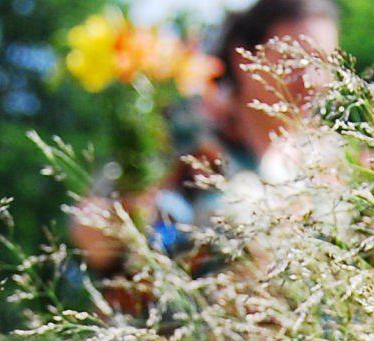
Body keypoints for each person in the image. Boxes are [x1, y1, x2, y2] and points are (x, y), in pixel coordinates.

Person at [68, 0, 342, 312]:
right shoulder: (175, 139)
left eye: (323, 63)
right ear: (243, 58)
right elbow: (95, 236)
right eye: (294, 60)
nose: (311, 80)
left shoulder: (332, 162)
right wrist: (110, 226)